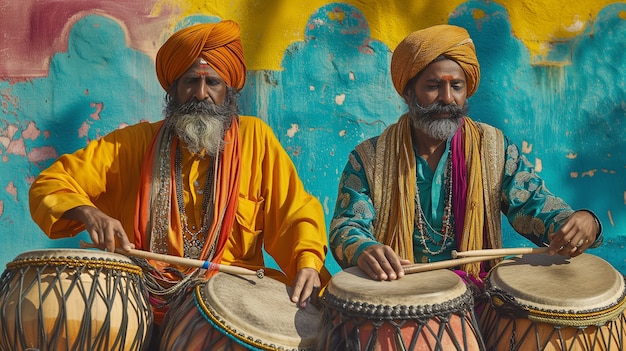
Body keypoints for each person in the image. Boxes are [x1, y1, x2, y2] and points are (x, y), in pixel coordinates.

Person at [28, 19, 329, 341]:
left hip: (228, 310)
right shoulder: (132, 144)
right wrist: (90, 213)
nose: (200, 94)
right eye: (190, 82)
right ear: (172, 89)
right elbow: (51, 182)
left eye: (212, 82)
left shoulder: (256, 140)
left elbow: (296, 212)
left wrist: (307, 262)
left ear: (229, 90)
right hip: (143, 303)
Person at [329, 24, 602, 285]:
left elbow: (533, 205)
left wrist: (581, 223)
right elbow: (346, 226)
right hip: (397, 295)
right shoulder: (370, 158)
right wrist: (364, 249)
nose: (447, 98)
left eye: (456, 86)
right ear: (409, 92)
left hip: (477, 296)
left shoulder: (493, 148)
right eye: (433, 85)